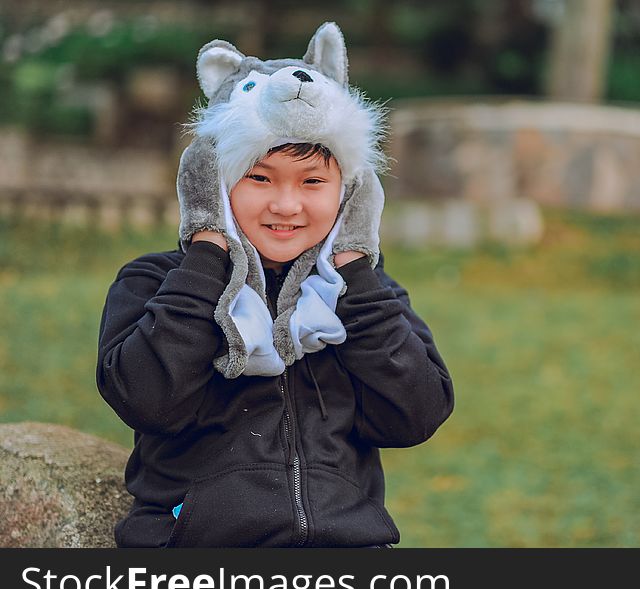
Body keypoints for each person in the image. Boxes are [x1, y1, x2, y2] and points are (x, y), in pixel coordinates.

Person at [96, 23, 454, 548]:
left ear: (349, 193)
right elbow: (148, 399)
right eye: (259, 178)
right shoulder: (155, 282)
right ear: (215, 181)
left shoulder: (364, 293)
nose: (286, 206)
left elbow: (415, 415)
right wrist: (206, 256)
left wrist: (356, 268)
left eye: (313, 183)